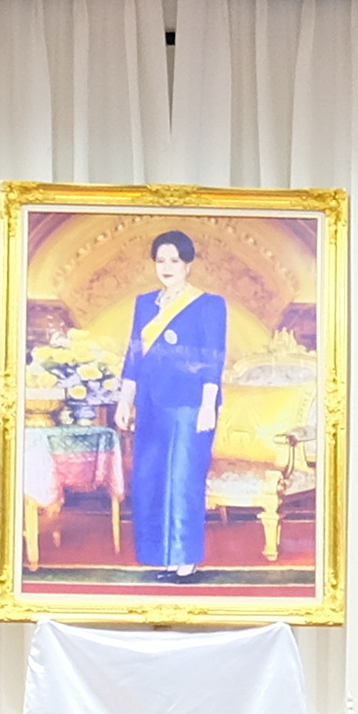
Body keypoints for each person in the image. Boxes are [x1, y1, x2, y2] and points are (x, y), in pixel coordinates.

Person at [114, 227, 227, 577]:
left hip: (189, 406)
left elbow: (213, 357)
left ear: (188, 264)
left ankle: (185, 556)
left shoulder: (209, 304)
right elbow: (134, 354)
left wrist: (208, 405)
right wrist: (124, 400)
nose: (166, 266)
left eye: (174, 260)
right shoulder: (144, 303)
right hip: (150, 404)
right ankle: (157, 554)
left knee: (182, 479)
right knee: (149, 479)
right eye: (160, 260)